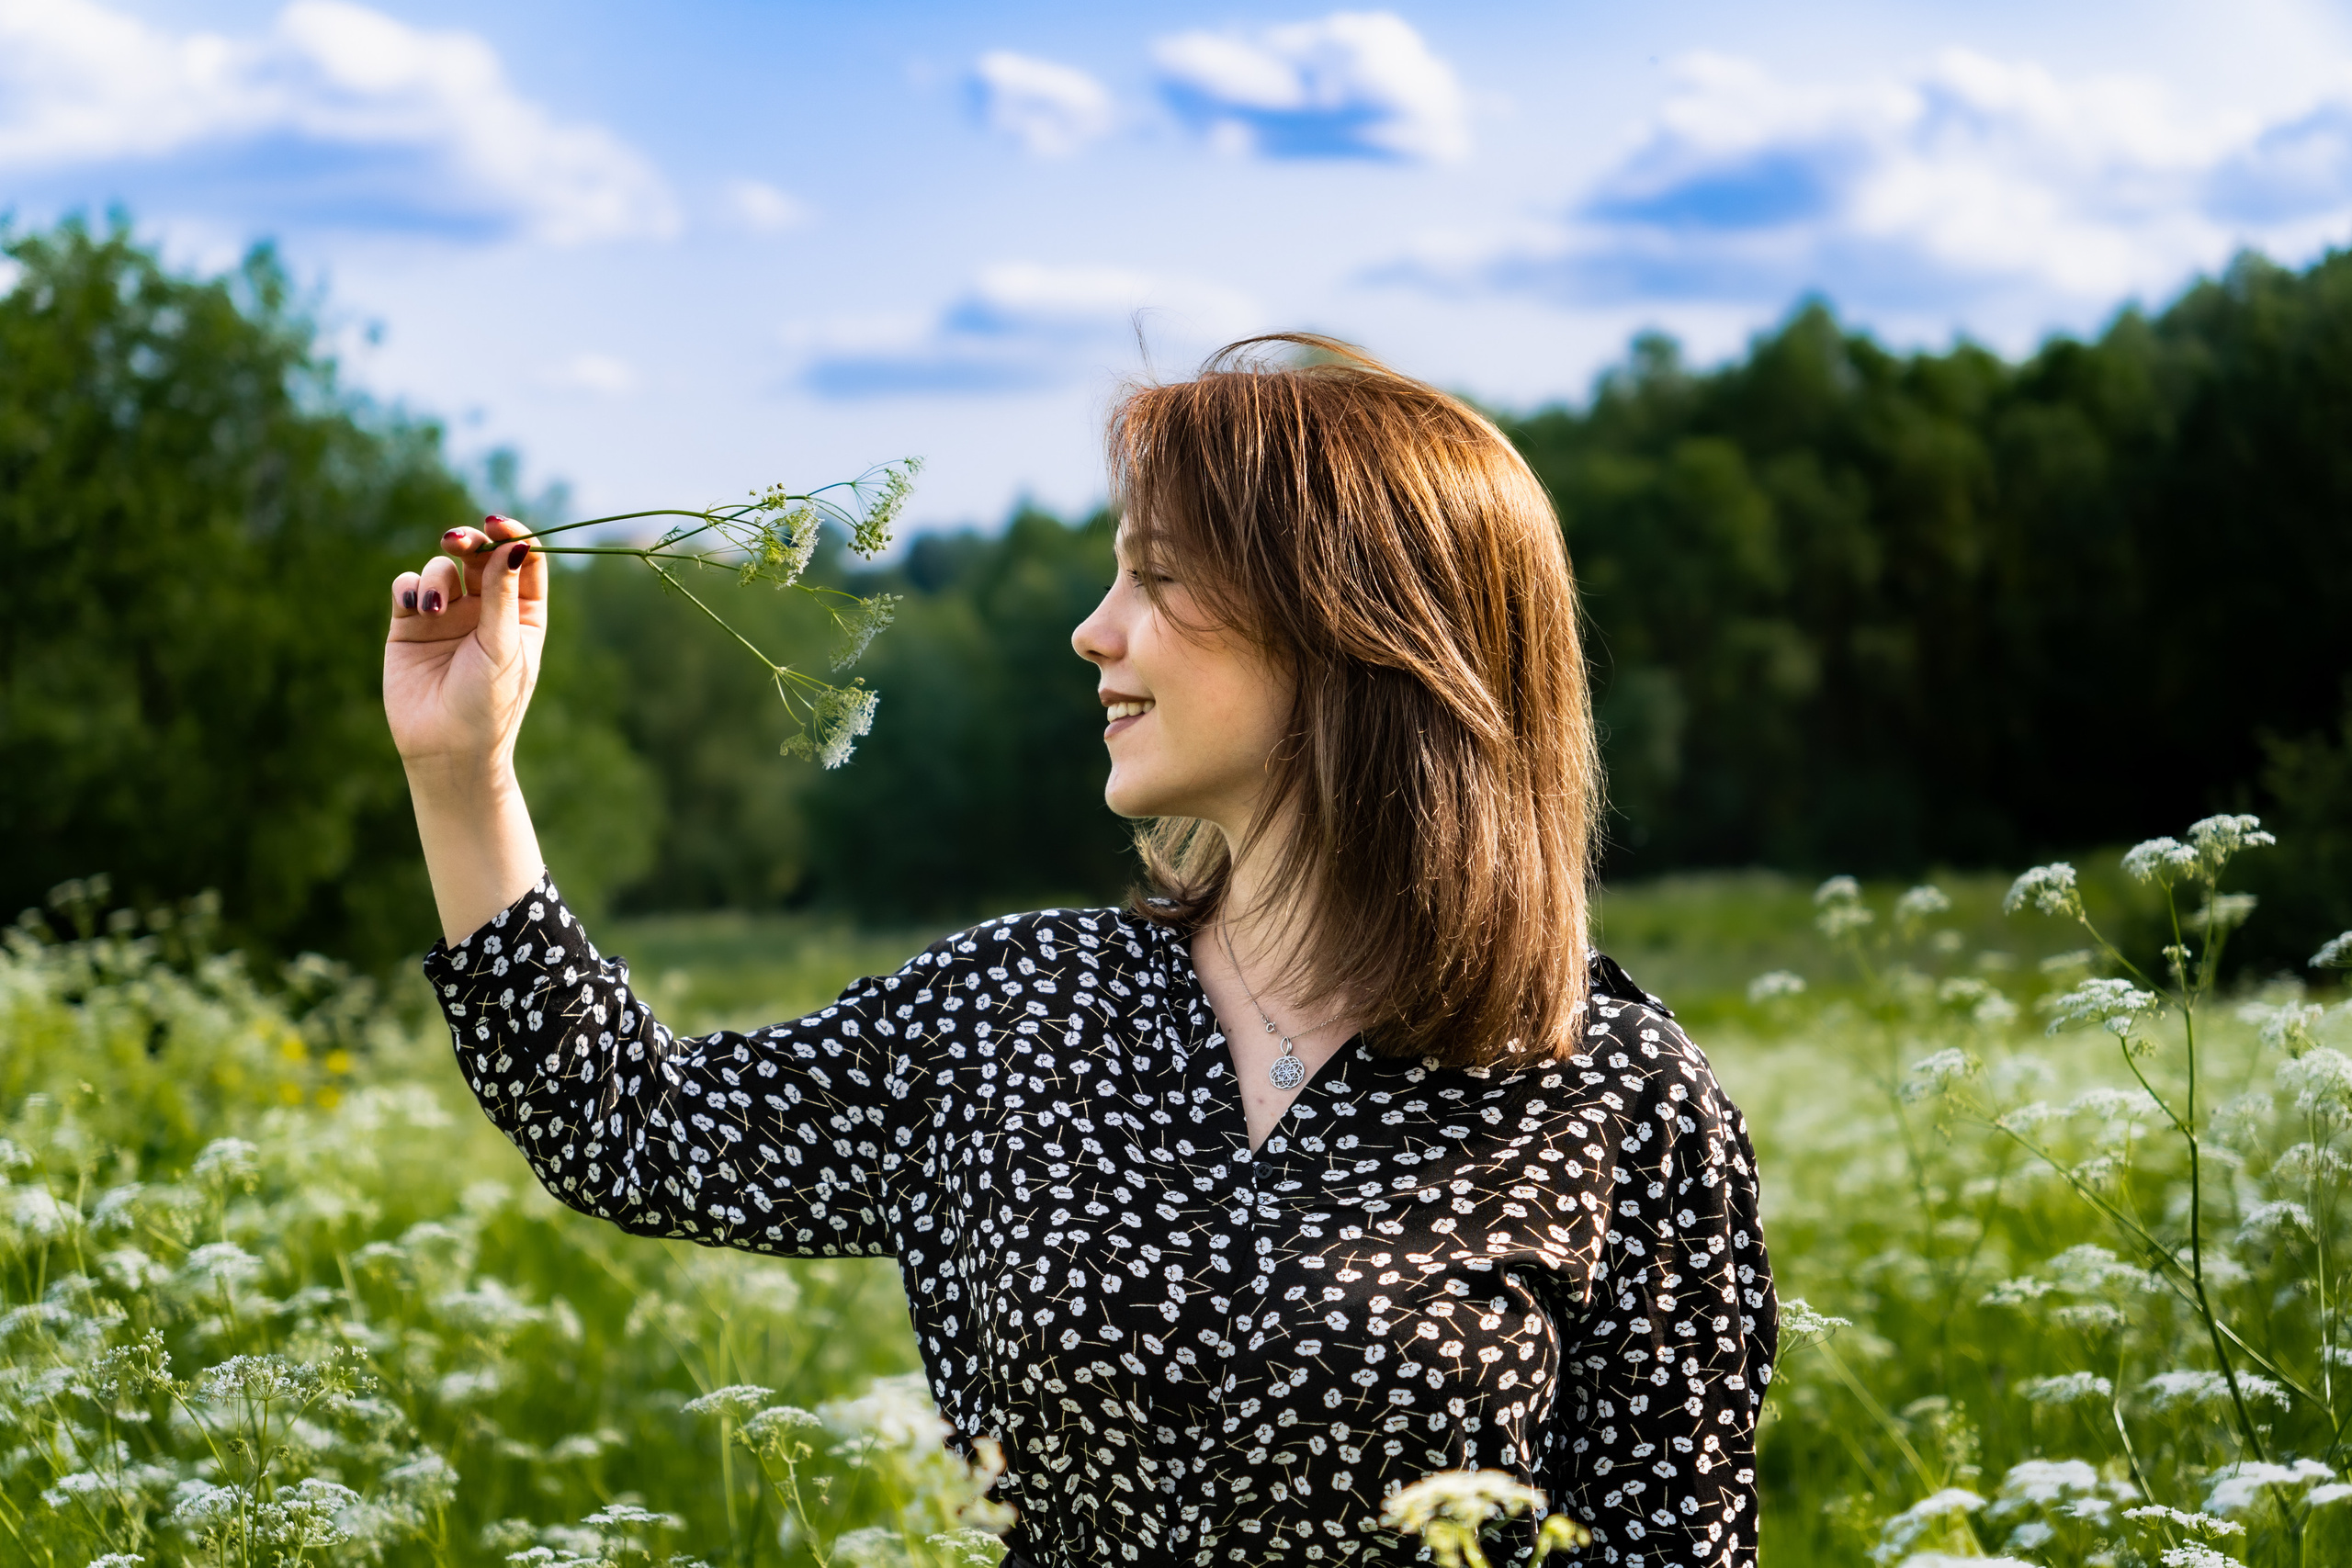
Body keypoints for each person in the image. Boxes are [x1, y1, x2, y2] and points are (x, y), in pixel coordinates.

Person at [383, 336, 1775, 1568]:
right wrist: (465, 774)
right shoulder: (1021, 1010)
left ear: (1353, 634)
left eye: (1159, 581)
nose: (1092, 631)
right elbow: (630, 1125)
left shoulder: (1620, 1104)